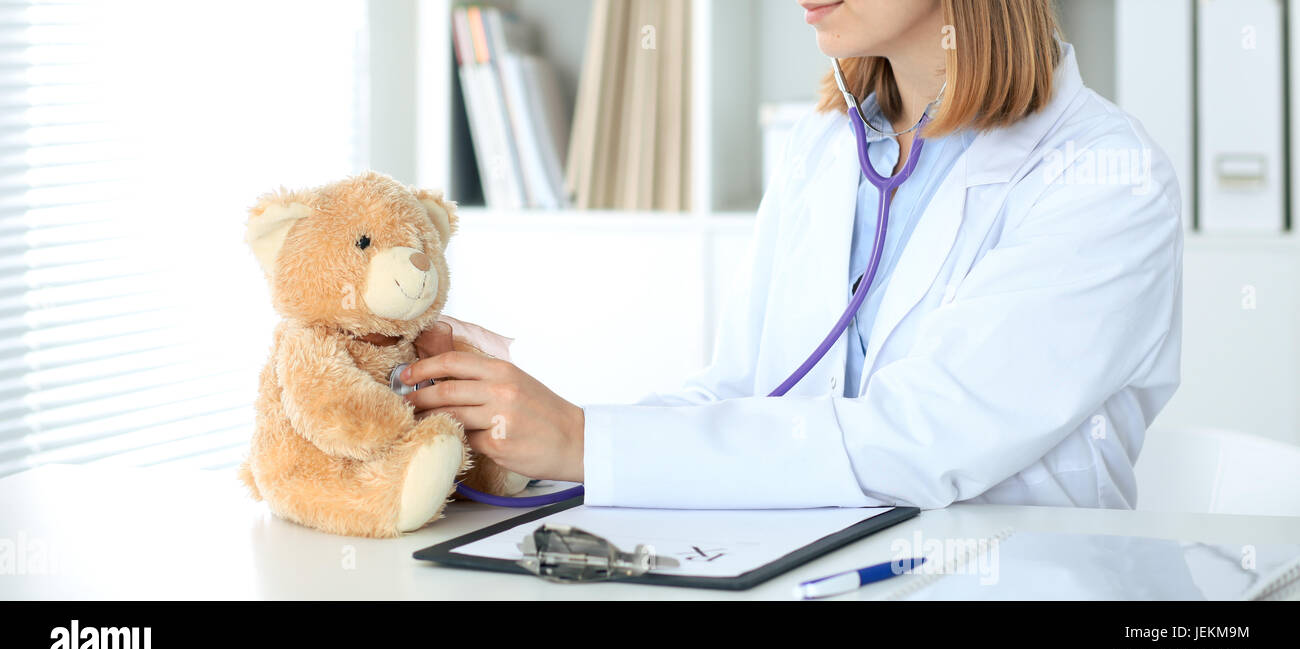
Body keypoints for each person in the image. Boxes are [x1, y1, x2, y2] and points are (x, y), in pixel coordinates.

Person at [402, 0, 1183, 510]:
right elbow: (742, 394)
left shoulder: (1105, 177)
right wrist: (511, 449)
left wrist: (584, 441)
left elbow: (919, 442)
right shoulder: (826, 148)